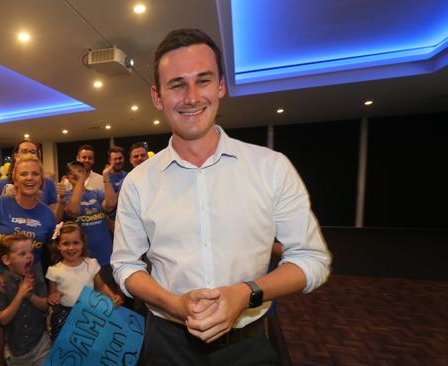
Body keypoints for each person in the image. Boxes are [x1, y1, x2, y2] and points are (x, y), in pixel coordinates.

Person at [111, 29, 332, 365]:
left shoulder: (270, 168)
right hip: (165, 345)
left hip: (248, 346)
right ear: (157, 97)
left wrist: (246, 293)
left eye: (203, 80)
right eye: (176, 84)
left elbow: (311, 260)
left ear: (221, 86)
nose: (191, 96)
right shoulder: (138, 181)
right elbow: (125, 266)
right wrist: (173, 304)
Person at [0, 155, 56, 366]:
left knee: (28, 343)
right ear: (15, 179)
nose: (30, 178)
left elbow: (50, 251)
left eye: (35, 174)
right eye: (24, 173)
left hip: (30, 281)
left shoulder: (47, 214)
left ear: (42, 181)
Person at [46, 222, 121, 341]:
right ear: (58, 246)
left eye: (76, 242)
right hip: (65, 317)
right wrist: (52, 298)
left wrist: (112, 296)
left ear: (83, 244)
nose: (71, 248)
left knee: (88, 345)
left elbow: (100, 285)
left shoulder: (91, 264)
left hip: (89, 314)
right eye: (65, 243)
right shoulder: (54, 271)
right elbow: (52, 295)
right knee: (67, 347)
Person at [0, 234, 50, 366]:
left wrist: (30, 296)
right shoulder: (0, 283)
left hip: (41, 345)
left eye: (31, 252)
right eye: (22, 253)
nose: (30, 256)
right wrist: (20, 295)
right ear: (6, 260)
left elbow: (45, 305)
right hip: (16, 353)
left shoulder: (36, 273)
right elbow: (3, 319)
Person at [63, 161, 118, 292]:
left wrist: (105, 177)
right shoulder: (65, 196)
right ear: (67, 177)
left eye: (81, 172)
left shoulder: (96, 194)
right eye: (73, 173)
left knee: (109, 301)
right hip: (81, 261)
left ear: (87, 174)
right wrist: (80, 183)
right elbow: (73, 210)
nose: (77, 176)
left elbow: (110, 204)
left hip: (105, 257)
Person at [0, 139, 62, 221]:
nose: (28, 155)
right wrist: (3, 202)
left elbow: (53, 219)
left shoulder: (48, 183)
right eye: (24, 151)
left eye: (33, 152)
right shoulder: (0, 185)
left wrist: (61, 201)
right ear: (16, 155)